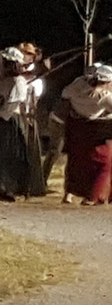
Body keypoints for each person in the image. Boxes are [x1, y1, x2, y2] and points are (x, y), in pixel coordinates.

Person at [0, 47, 46, 200]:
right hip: (0, 119)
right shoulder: (4, 80)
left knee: (9, 154)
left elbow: (12, 103)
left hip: (9, 120)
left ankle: (9, 187)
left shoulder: (18, 82)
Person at [59, 63, 112, 205]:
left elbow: (65, 94)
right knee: (105, 162)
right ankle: (94, 196)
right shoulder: (105, 98)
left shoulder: (78, 84)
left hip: (76, 126)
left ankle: (68, 194)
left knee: (75, 161)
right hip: (94, 129)